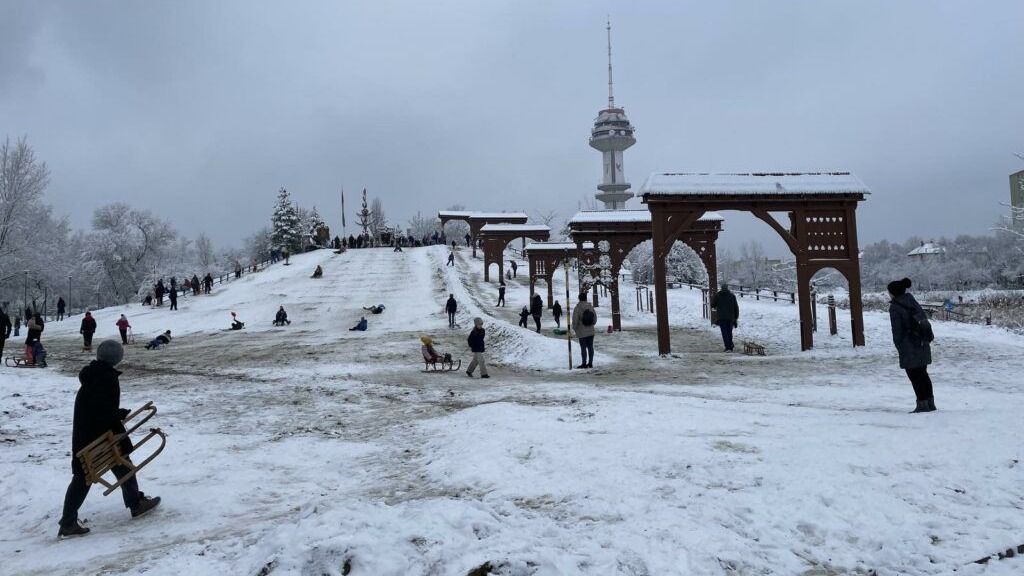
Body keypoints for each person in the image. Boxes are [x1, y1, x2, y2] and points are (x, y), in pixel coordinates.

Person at [57, 340, 161, 537]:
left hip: (86, 436)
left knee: (112, 467)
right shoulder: (107, 378)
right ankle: (69, 522)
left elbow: (97, 407)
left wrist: (115, 413)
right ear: (117, 358)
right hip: (100, 438)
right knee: (92, 474)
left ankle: (134, 503)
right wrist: (118, 414)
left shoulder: (92, 375)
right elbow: (102, 412)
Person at [888, 277, 936, 413]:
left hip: (908, 345)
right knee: (923, 374)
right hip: (922, 342)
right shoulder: (912, 302)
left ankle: (922, 404)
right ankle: (930, 403)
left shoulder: (895, 307)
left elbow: (897, 330)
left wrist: (899, 346)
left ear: (893, 292)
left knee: (914, 376)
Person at [710, 284, 739, 352]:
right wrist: (736, 317)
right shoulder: (732, 296)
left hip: (721, 318)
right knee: (729, 332)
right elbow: (736, 307)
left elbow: (712, 305)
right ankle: (730, 346)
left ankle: (728, 347)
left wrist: (714, 299)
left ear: (721, 288)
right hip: (730, 318)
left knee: (724, 333)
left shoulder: (718, 295)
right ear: (727, 288)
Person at [571, 292, 597, 369]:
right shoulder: (590, 307)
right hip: (591, 331)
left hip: (581, 332)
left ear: (579, 299)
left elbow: (575, 320)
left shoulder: (577, 308)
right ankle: (590, 363)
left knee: (583, 348)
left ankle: (584, 363)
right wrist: (591, 325)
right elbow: (595, 319)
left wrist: (575, 328)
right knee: (590, 347)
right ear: (586, 298)